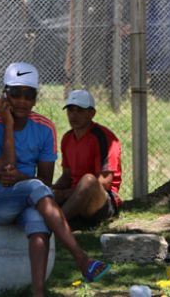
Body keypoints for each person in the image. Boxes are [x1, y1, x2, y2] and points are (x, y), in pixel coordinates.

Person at [0, 63, 111, 296]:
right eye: (16, 94)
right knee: (33, 188)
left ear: (36, 98)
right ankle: (82, 259)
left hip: (28, 196)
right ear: (5, 95)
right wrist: (8, 127)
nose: (23, 100)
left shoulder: (45, 128)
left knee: (38, 222)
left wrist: (23, 178)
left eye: (29, 94)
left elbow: (45, 181)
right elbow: (3, 176)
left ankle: (38, 292)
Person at [52, 89, 122, 227]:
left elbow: (104, 182)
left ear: (91, 113)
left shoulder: (103, 137)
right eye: (70, 110)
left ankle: (54, 226)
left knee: (88, 180)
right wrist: (52, 190)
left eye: (80, 110)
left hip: (103, 201)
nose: (74, 115)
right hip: (74, 197)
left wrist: (66, 194)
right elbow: (66, 176)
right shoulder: (67, 138)